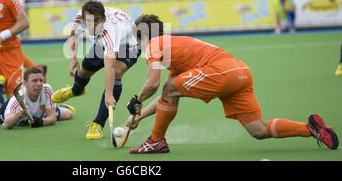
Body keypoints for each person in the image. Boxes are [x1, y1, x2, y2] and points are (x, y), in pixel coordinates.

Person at [126, 14, 338, 154]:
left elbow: (154, 84)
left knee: (169, 87)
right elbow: (167, 96)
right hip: (240, 73)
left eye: (138, 40)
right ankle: (311, 128)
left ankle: (156, 140)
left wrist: (137, 99)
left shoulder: (155, 43)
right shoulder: (173, 47)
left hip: (220, 71)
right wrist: (138, 115)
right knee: (258, 129)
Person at [51, 0, 140, 140]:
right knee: (84, 71)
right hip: (101, 42)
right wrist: (73, 57)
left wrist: (109, 95)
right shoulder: (81, 16)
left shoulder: (112, 32)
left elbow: (109, 66)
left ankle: (98, 123)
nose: (92, 26)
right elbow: (73, 33)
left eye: (97, 21)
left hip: (129, 45)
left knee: (116, 73)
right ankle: (76, 90)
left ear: (103, 19)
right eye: (89, 21)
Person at [2, 67, 75, 129]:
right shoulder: (18, 98)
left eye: (41, 80)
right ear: (25, 83)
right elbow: (6, 124)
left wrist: (40, 122)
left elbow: (52, 118)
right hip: (9, 113)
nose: (39, 84)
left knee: (69, 114)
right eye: (34, 81)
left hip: (40, 114)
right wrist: (20, 114)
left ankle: (53, 107)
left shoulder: (46, 90)